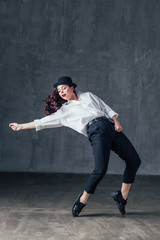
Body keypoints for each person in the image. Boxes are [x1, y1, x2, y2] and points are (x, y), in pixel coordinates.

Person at [9, 76, 141, 217]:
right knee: (100, 170)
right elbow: (42, 122)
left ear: (72, 87)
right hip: (96, 132)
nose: (61, 92)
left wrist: (116, 121)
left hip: (111, 127)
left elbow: (105, 108)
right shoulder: (64, 111)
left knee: (134, 160)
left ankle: (122, 197)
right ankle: (82, 200)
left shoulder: (88, 95)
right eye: (59, 91)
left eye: (64, 88)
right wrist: (21, 126)